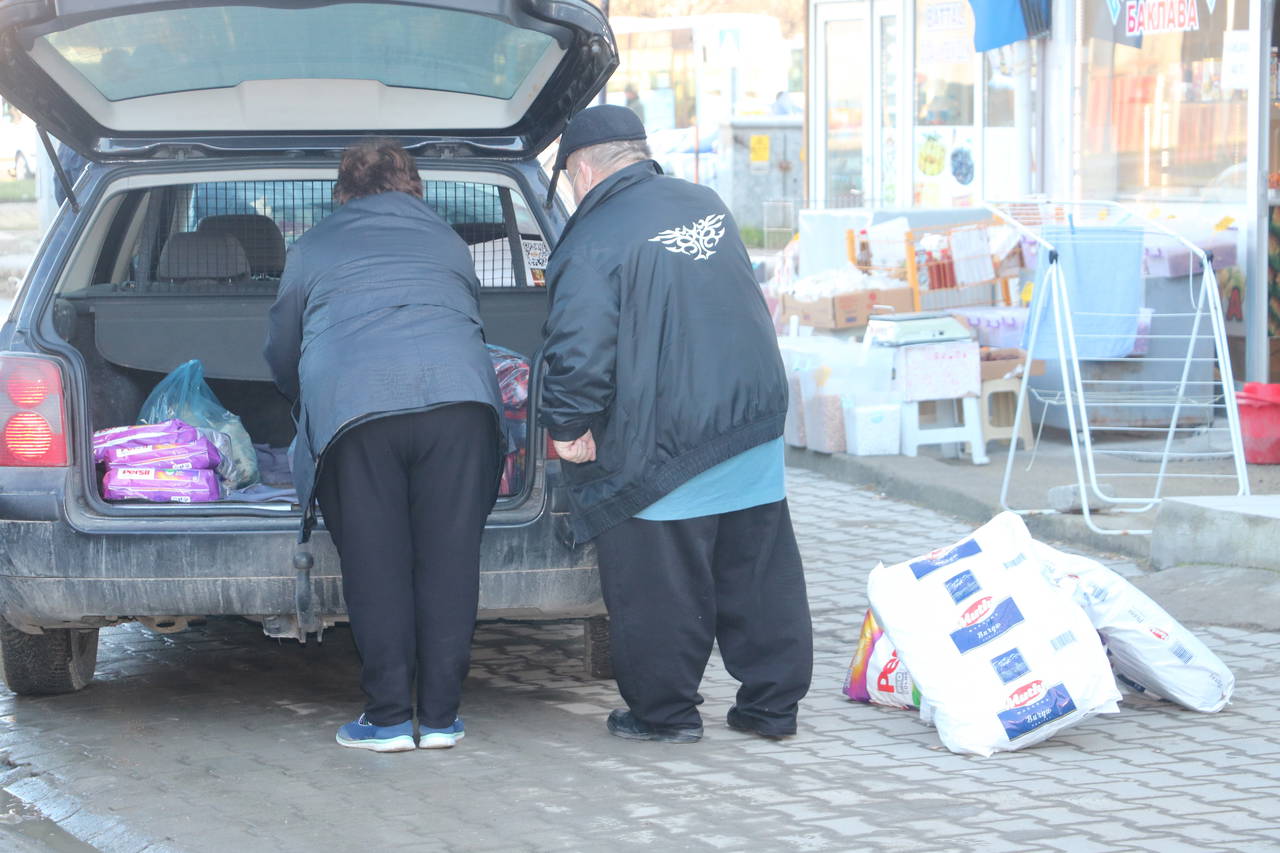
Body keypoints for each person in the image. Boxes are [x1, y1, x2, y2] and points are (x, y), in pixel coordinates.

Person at [540, 105, 813, 744]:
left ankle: (664, 715)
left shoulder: (594, 236)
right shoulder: (704, 202)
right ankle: (772, 708)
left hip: (666, 439)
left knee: (660, 581)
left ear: (582, 169)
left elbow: (578, 348)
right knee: (758, 572)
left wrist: (569, 422)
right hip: (750, 419)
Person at [264, 139, 503, 753]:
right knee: (450, 563)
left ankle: (391, 718)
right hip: (462, 409)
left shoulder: (314, 246)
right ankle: (443, 718)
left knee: (378, 565)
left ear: (342, 191)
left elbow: (284, 347)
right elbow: (467, 319)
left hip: (358, 414)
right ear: (414, 185)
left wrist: (308, 399)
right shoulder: (449, 242)